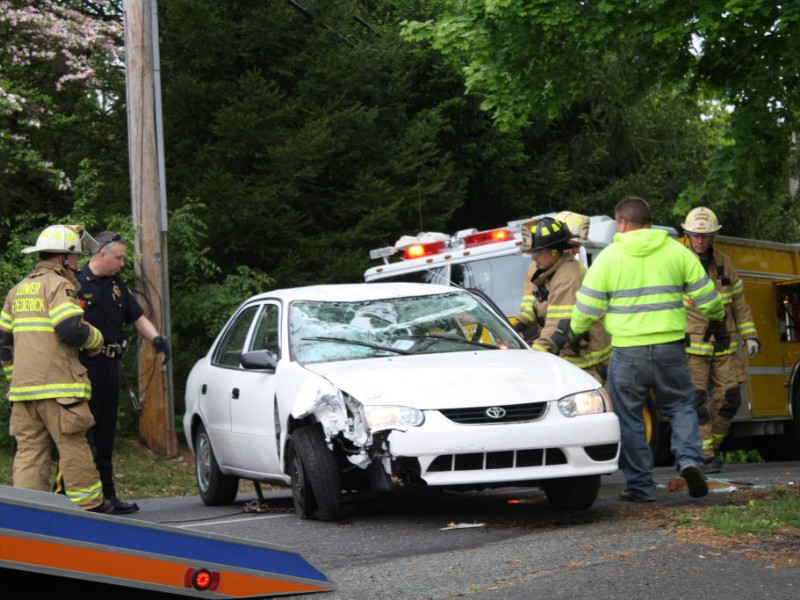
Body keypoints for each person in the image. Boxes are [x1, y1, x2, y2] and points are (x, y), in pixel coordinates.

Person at [570, 197, 728, 502]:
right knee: (681, 407)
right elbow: (709, 300)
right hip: (671, 349)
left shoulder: (609, 257)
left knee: (630, 418)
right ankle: (690, 460)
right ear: (649, 221)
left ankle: (641, 487)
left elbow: (587, 307)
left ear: (623, 223)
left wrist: (574, 332)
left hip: (628, 354)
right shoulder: (676, 252)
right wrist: (718, 320)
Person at [0, 224, 113, 513]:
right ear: (63, 258)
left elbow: (4, 343)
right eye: (75, 259)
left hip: (24, 394)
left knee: (30, 454)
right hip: (60, 391)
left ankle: (27, 516)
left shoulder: (17, 290)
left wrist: (16, 381)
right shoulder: (59, 285)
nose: (78, 265)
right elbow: (70, 329)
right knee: (75, 448)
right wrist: (96, 338)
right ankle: (90, 510)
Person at [75, 231, 171, 514]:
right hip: (84, 369)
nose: (122, 263)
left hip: (110, 367)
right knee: (83, 433)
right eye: (119, 257)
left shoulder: (117, 284)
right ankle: (81, 499)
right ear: (101, 254)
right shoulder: (77, 284)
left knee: (106, 433)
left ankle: (109, 496)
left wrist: (157, 339)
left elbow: (137, 317)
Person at [681, 207, 760, 474]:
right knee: (696, 400)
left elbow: (738, 303)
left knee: (730, 399)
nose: (700, 241)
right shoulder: (679, 262)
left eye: (705, 236)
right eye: (695, 235)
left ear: (714, 236)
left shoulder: (724, 263)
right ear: (687, 235)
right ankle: (705, 454)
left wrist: (750, 335)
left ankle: (710, 446)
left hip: (724, 343)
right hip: (691, 348)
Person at [515, 216, 611, 382]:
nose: (533, 258)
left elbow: (559, 325)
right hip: (570, 358)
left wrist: (535, 357)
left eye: (537, 253)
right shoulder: (544, 270)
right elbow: (534, 308)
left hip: (590, 363)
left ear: (553, 251)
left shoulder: (569, 277)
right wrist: (514, 329)